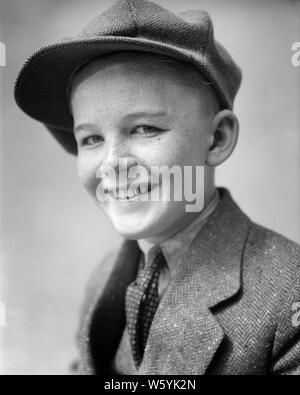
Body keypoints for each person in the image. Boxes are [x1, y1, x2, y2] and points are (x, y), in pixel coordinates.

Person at [14, 0, 300, 375]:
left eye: (145, 128)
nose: (114, 165)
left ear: (216, 138)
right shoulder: (106, 278)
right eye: (91, 139)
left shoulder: (287, 294)